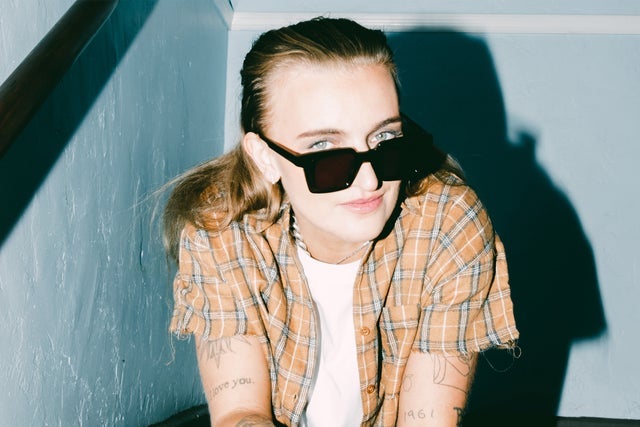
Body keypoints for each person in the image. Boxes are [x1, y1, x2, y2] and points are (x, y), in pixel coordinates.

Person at [164, 17, 518, 427]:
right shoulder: (221, 230)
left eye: (385, 140)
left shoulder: (447, 226)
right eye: (325, 151)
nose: (370, 181)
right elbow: (240, 413)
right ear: (264, 158)